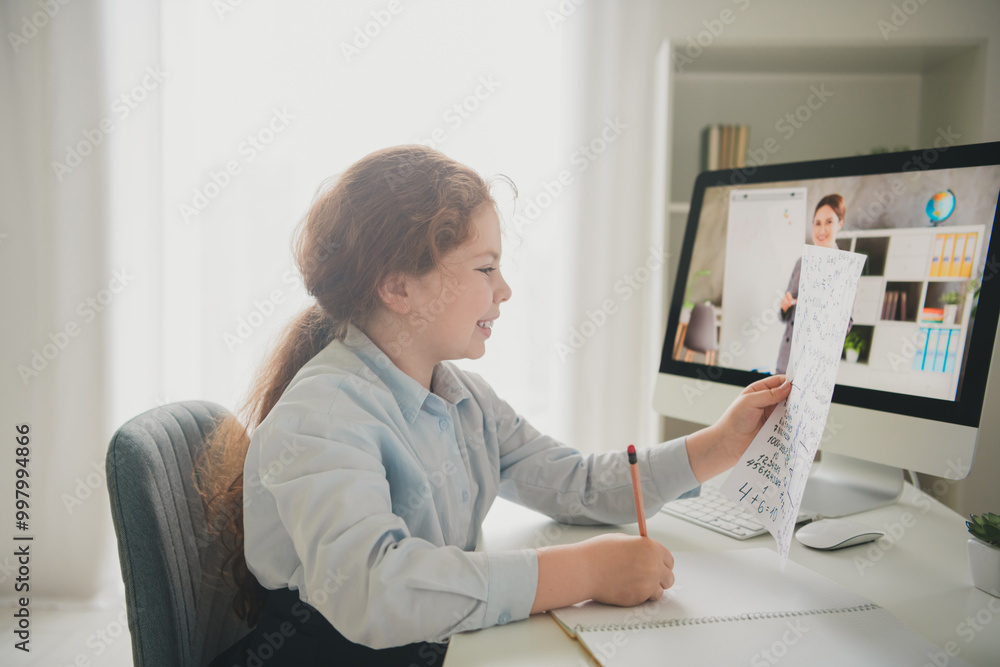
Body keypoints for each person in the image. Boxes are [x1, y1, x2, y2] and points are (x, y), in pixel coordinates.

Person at [199, 145, 791, 666]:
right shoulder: (322, 417)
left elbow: (576, 483)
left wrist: (720, 444)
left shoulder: (461, 396)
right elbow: (375, 590)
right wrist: (584, 572)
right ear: (399, 287)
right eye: (486, 268)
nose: (504, 290)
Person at [776, 194, 846, 375]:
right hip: (786, 360)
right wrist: (785, 307)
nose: (821, 229)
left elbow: (846, 323)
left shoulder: (845, 268)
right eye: (817, 223)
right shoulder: (801, 262)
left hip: (814, 365)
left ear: (840, 223)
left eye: (829, 222)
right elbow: (785, 316)